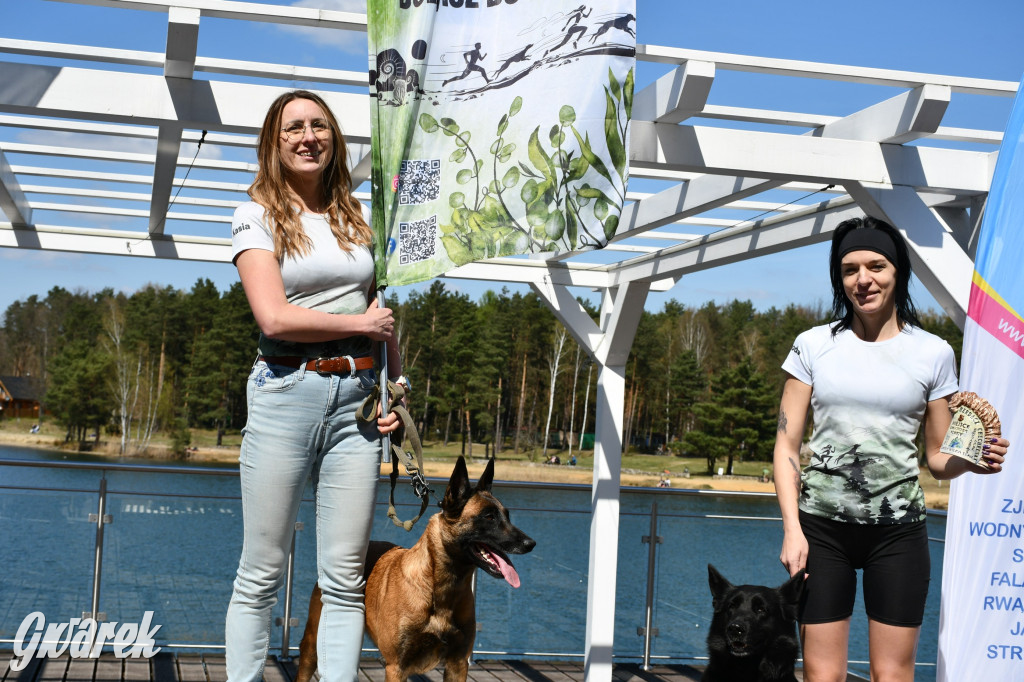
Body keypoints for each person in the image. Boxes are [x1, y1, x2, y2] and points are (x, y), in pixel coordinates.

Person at [772, 216, 1009, 682]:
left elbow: (937, 459)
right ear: (839, 279)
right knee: (822, 676)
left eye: (876, 265)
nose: (863, 280)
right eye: (849, 269)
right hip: (820, 532)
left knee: (893, 674)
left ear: (897, 269)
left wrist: (971, 462)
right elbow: (785, 446)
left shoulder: (935, 352)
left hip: (898, 535)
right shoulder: (813, 346)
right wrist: (792, 530)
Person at [226, 90, 403, 682]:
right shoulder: (255, 214)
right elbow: (273, 317)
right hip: (285, 394)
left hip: (358, 407)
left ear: (334, 138)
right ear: (274, 144)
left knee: (344, 578)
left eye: (318, 126)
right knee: (262, 571)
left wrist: (395, 393)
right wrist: (361, 324)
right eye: (293, 128)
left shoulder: (359, 217)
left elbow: (383, 312)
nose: (308, 137)